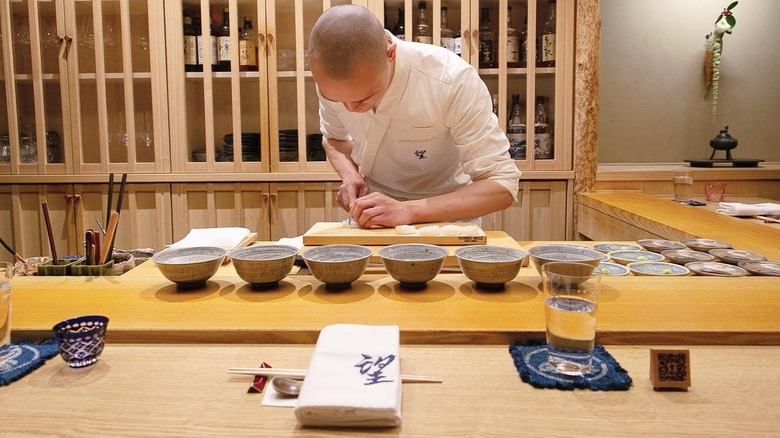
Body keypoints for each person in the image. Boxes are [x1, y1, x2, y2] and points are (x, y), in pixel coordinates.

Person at [308, 5, 521, 228]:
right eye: (336, 98)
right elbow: (334, 139)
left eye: (363, 98)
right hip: (373, 217)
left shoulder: (450, 79)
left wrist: (406, 210)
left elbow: (501, 184)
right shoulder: (330, 81)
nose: (350, 109)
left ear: (390, 54)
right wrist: (351, 176)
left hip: (446, 219)